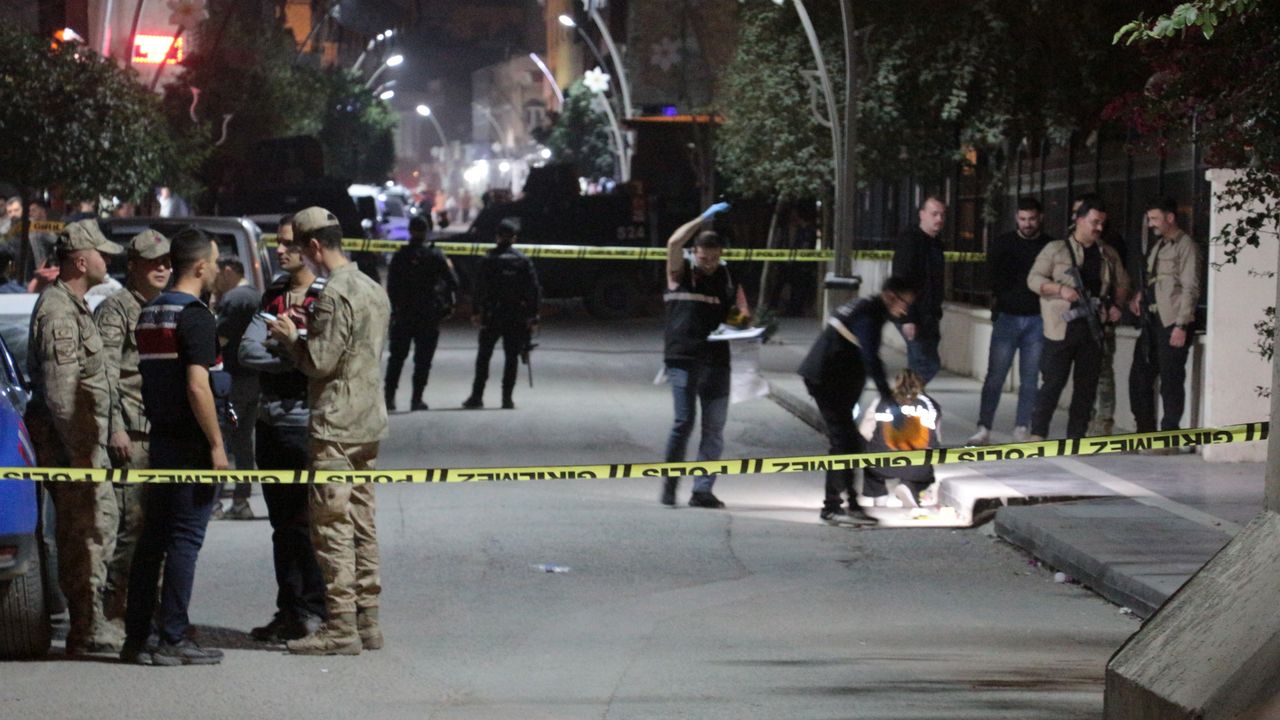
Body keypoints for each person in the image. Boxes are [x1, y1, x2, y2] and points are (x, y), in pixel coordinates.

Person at [267, 206, 390, 656]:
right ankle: (368, 622)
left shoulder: (334, 294)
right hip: (368, 420)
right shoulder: (373, 288)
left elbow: (320, 361)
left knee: (332, 527)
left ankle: (340, 627)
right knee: (362, 522)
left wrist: (290, 338)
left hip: (336, 423)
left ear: (315, 247)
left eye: (301, 248)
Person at [122, 227, 228, 666]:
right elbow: (198, 386)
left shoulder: (150, 312)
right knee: (185, 539)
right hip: (191, 444)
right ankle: (173, 636)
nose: (219, 269)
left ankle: (137, 637)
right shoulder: (196, 316)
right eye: (215, 262)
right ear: (201, 267)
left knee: (153, 539)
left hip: (161, 439)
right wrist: (217, 446)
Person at [24, 220, 124, 654]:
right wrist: (83, 453)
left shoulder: (74, 306)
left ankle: (90, 621)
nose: (108, 260)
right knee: (87, 534)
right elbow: (62, 395)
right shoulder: (59, 313)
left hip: (85, 445)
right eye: (102, 254)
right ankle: (86, 626)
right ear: (81, 262)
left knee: (97, 530)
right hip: (75, 450)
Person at [238, 214, 327, 642]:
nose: (279, 249)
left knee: (308, 524)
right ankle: (289, 609)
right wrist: (289, 354)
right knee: (282, 526)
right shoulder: (274, 293)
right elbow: (247, 350)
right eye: (278, 242)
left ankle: (315, 610)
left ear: (310, 246)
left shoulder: (325, 295)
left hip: (304, 423)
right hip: (269, 421)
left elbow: (322, 359)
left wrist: (294, 350)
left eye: (288, 243)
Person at [94, 229, 171, 635]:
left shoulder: (165, 307)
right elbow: (104, 375)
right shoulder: (116, 310)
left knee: (159, 529)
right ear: (133, 266)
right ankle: (117, 611)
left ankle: (151, 611)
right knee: (132, 530)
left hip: (162, 432)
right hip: (133, 434)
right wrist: (115, 428)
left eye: (167, 262)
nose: (162, 268)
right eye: (153, 262)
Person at [798, 276, 916, 525]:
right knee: (843, 442)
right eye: (904, 303)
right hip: (827, 381)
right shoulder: (869, 314)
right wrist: (887, 396)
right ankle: (832, 507)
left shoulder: (867, 308)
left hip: (834, 381)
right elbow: (870, 357)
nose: (905, 310)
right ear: (890, 296)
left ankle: (850, 504)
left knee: (848, 443)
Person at [659, 203, 744, 509]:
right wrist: (701, 218)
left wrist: (741, 326)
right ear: (694, 252)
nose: (708, 263)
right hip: (683, 358)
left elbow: (741, 313)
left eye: (713, 257)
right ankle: (670, 486)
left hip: (717, 361)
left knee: (714, 429)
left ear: (721, 254)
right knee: (684, 422)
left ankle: (702, 490)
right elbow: (673, 242)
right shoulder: (680, 273)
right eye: (703, 257)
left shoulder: (728, 276)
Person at [1027, 197, 1130, 440]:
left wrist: (1117, 305)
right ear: (1080, 220)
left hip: (1093, 327)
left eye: (1102, 223)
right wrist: (1060, 289)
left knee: (1086, 387)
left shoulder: (1107, 253)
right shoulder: (1056, 249)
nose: (1099, 228)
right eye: (1094, 222)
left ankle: (1076, 436)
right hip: (1061, 327)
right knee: (1053, 383)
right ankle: (1038, 433)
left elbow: (1123, 283)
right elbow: (1034, 279)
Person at [968, 198, 1052, 445]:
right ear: (1016, 218)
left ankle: (1021, 427)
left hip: (1037, 318)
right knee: (995, 376)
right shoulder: (1003, 243)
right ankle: (984, 427)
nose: (1027, 224)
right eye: (1023, 219)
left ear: (1040, 218)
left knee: (1030, 379)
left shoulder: (1049, 246)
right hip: (1007, 316)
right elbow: (990, 277)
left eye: (1032, 219)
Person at [1129, 198, 1202, 437]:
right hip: (1151, 320)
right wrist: (1140, 295)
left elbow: (1190, 287)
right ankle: (1145, 432)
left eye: (1155, 219)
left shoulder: (1185, 245)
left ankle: (1169, 436)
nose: (1151, 224)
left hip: (1172, 322)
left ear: (1170, 218)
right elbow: (1155, 279)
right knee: (1139, 379)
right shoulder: (1159, 245)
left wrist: (1182, 324)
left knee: (1171, 381)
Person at [461, 218, 540, 410]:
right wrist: (533, 317)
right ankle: (507, 399)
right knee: (511, 357)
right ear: (514, 238)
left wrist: (476, 311)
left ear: (497, 237)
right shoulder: (523, 261)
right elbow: (533, 291)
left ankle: (477, 396)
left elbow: (478, 288)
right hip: (515, 315)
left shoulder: (488, 260)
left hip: (492, 314)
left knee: (484, 357)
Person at [385, 214, 457, 411]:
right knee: (423, 360)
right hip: (428, 313)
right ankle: (416, 399)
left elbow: (391, 286)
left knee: (396, 358)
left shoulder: (400, 256)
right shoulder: (435, 255)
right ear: (426, 232)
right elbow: (454, 282)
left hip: (404, 313)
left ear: (410, 231)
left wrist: (394, 309)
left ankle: (389, 398)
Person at [1073, 193, 1130, 437]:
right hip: (1075, 320)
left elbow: (1122, 281)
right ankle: (1083, 422)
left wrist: (1116, 305)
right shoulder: (1068, 246)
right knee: (1081, 374)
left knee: (1103, 372)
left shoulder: (1109, 246)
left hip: (1101, 318)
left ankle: (1103, 421)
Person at [213, 255, 262, 519]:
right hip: (254, 379)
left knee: (220, 437)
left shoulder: (234, 299)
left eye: (217, 273)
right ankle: (242, 500)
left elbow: (219, 339)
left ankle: (214, 502)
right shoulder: (256, 295)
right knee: (244, 441)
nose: (214, 279)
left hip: (234, 383)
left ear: (229, 270)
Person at [859, 369, 941, 508]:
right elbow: (935, 438)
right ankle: (910, 487)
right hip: (917, 464)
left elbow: (864, 431)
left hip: (883, 463)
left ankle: (879, 495)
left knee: (869, 454)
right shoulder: (931, 404)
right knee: (926, 473)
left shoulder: (882, 399)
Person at [892, 195, 947, 384]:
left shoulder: (936, 244)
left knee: (920, 364)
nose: (939, 219)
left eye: (942, 215)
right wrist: (907, 318)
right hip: (912, 312)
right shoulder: (910, 241)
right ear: (922, 214)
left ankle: (908, 399)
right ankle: (901, 398)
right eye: (934, 214)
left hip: (928, 314)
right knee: (926, 364)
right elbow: (901, 279)